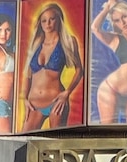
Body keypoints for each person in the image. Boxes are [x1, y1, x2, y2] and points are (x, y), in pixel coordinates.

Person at [21, 3, 84, 131]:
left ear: (58, 20)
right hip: (33, 104)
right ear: (40, 23)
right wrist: (24, 99)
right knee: (24, 143)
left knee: (56, 143)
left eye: (52, 19)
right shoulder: (36, 43)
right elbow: (28, 74)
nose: (48, 24)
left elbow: (79, 70)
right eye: (44, 21)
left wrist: (67, 92)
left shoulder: (67, 41)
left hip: (55, 101)